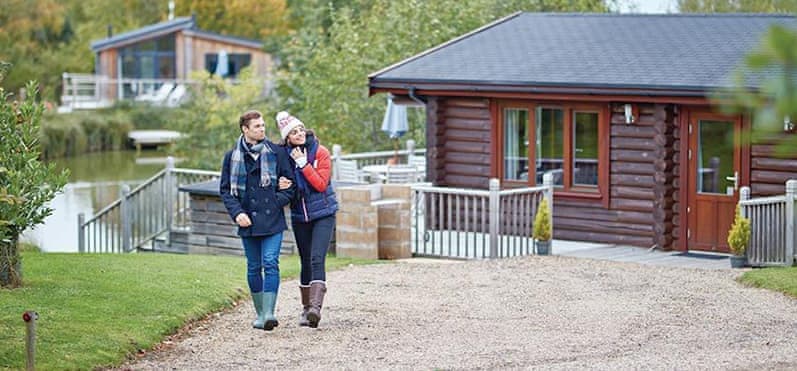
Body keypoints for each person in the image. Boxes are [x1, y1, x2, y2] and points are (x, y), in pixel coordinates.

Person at [220, 110, 295, 331]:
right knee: (254, 267)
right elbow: (225, 191)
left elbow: (290, 186)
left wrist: (275, 200)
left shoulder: (277, 152)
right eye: (257, 126)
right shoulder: (231, 156)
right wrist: (237, 213)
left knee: (270, 262)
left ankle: (270, 313)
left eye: (263, 125)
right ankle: (261, 314)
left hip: (272, 220)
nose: (262, 129)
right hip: (247, 221)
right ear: (245, 129)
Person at [275, 111, 338, 328]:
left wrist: (303, 163)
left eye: (300, 129)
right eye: (293, 132)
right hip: (300, 216)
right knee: (305, 261)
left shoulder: (320, 152)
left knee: (316, 258)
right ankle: (305, 309)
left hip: (323, 214)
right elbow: (283, 183)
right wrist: (282, 184)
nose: (299, 134)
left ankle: (315, 309)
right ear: (287, 138)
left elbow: (320, 184)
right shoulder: (284, 157)